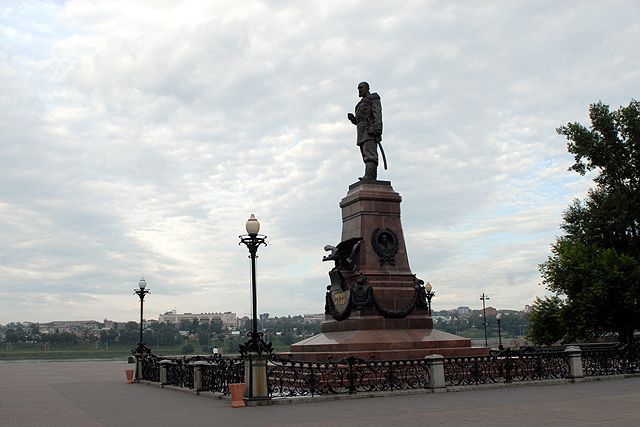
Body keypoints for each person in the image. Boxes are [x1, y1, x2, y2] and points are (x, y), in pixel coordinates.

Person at [347, 81, 383, 180]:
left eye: (361, 88)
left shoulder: (373, 98)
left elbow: (377, 114)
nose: (359, 90)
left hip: (370, 131)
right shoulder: (359, 104)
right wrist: (353, 119)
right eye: (358, 88)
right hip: (361, 132)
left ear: (367, 88)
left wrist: (378, 128)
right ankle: (368, 175)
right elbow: (360, 120)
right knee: (365, 154)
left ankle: (370, 176)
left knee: (370, 154)